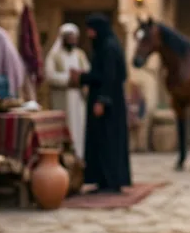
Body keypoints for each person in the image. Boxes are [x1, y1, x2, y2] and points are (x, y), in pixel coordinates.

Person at [75, 14, 131, 193]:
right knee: (101, 140)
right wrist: (84, 78)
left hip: (108, 104)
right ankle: (103, 181)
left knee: (108, 141)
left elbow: (109, 77)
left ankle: (111, 180)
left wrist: (102, 100)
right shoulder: (106, 46)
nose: (89, 34)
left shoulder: (109, 47)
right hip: (108, 101)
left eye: (91, 30)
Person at [45, 23, 90, 159]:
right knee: (64, 128)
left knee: (79, 127)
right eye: (69, 37)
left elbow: (87, 71)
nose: (72, 40)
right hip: (62, 97)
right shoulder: (54, 55)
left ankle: (79, 157)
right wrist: (69, 79)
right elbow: (50, 76)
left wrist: (80, 79)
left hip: (78, 98)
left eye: (74, 38)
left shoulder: (80, 55)